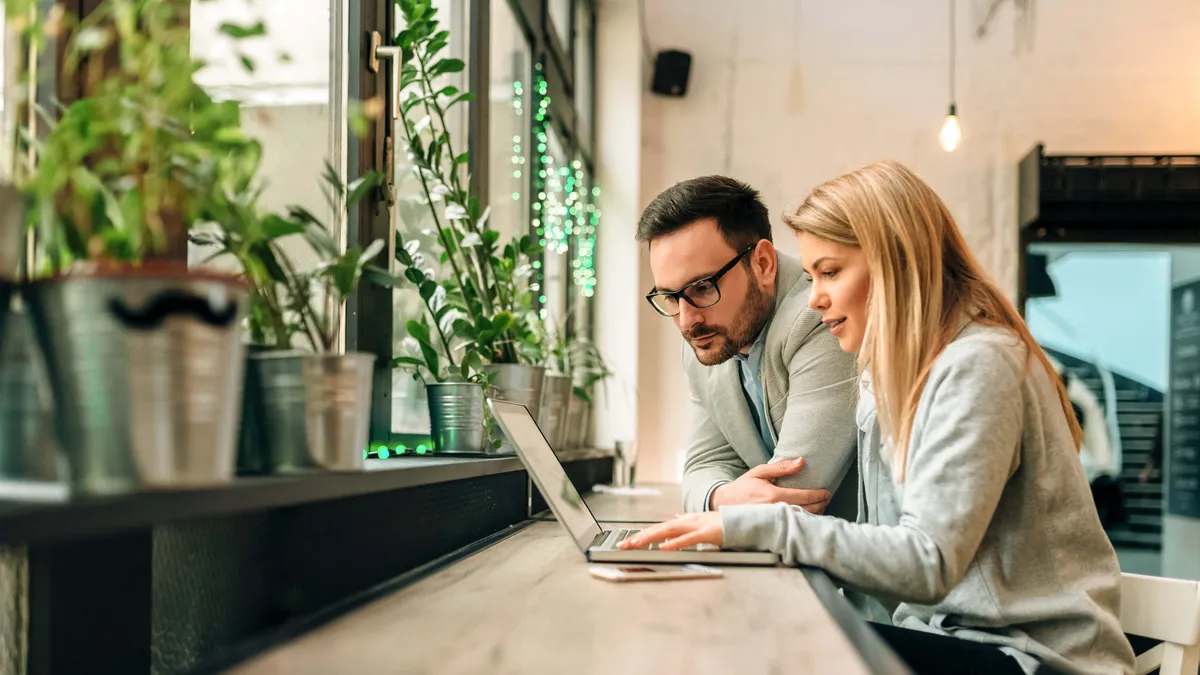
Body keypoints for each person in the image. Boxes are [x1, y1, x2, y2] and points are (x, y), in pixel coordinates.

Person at [623, 162, 1136, 675]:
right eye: (812, 274)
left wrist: (757, 525)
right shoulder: (896, 376)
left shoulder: (978, 364)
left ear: (896, 263)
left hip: (1033, 658)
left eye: (830, 272)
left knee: (771, 645)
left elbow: (928, 562)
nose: (815, 295)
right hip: (955, 638)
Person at [637, 176, 859, 516]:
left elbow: (796, 494)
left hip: (852, 557)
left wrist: (722, 504)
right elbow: (702, 466)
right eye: (670, 297)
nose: (686, 321)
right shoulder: (709, 338)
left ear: (763, 264)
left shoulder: (823, 316)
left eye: (702, 288)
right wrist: (720, 497)